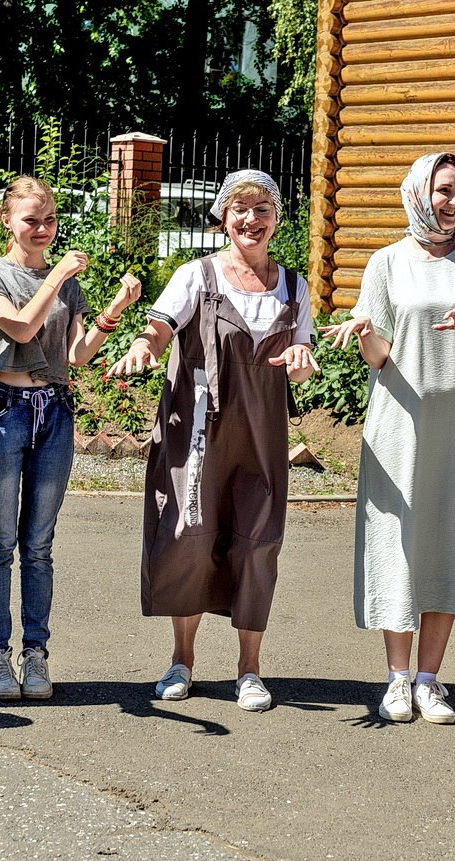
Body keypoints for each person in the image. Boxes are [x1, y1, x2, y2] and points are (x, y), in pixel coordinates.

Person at [108, 169, 317, 712]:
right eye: (240, 209)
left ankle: (250, 669)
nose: (252, 219)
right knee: (189, 536)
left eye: (263, 209)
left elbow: (301, 364)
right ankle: (182, 659)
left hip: (262, 436)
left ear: (276, 219)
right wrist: (143, 348)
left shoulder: (295, 287)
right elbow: (158, 327)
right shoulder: (195, 276)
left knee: (257, 541)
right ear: (223, 217)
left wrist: (300, 360)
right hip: (197, 430)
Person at [322, 152, 455, 725]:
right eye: (442, 190)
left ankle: (430, 679)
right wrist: (363, 334)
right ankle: (397, 678)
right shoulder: (386, 262)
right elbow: (381, 357)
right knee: (398, 538)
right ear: (417, 193)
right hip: (400, 423)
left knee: (450, 534)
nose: (453, 202)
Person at [0, 176, 141, 700]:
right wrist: (58, 275)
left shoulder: (67, 284)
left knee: (39, 546)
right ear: (9, 223)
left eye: (49, 219)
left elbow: (76, 356)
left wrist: (113, 310)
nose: (43, 229)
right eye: (31, 220)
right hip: (2, 411)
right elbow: (19, 329)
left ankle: (36, 654)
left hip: (55, 412)